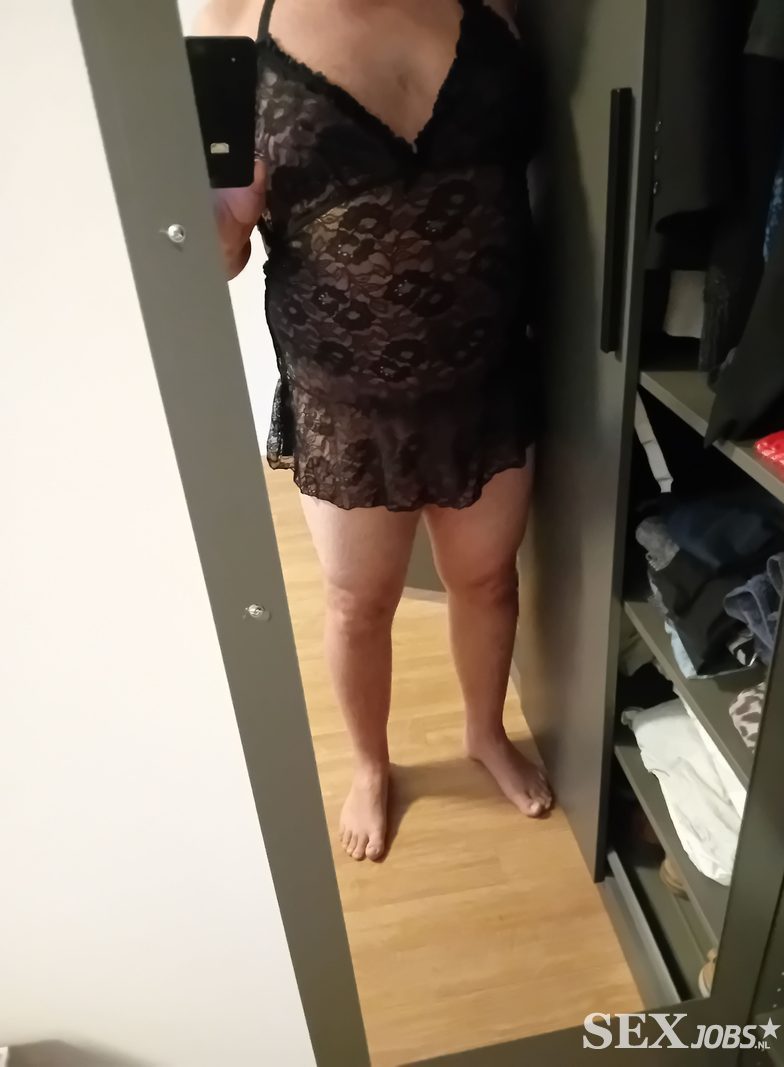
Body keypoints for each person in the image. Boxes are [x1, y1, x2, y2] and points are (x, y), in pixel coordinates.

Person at [197, 0, 553, 862]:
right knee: (360, 604)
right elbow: (217, 252)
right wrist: (218, 207)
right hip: (346, 400)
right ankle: (369, 762)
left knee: (488, 580)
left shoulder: (494, 5)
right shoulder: (225, 24)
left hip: (487, 376)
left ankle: (484, 731)